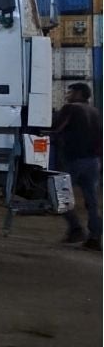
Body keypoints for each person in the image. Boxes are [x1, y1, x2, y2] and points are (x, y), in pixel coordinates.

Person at [51, 82, 102, 251]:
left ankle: (75, 229)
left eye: (70, 91)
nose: (67, 94)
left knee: (59, 195)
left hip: (74, 160)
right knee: (92, 201)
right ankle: (95, 237)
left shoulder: (70, 109)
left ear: (79, 93)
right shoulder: (95, 111)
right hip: (94, 162)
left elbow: (57, 129)